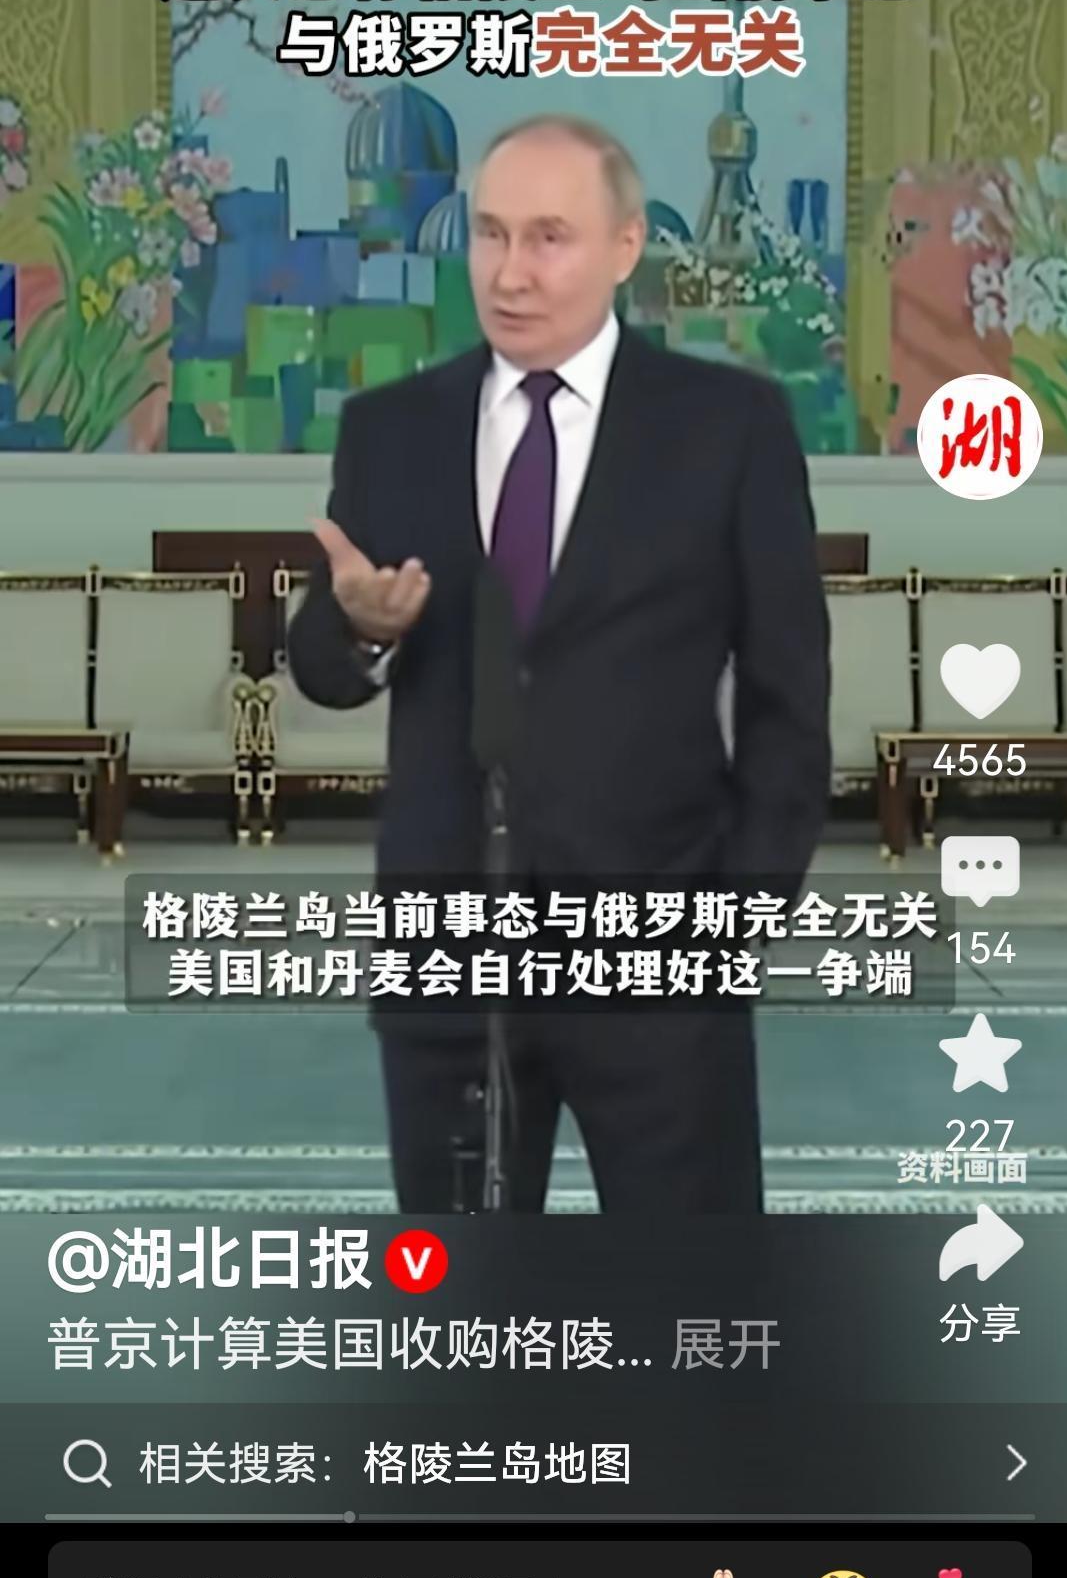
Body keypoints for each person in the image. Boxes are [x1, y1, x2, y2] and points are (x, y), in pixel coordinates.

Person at [288, 113, 831, 1211]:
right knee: (464, 1300)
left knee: (694, 1291)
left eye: (549, 237)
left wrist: (737, 920)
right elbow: (320, 664)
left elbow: (789, 699)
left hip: (661, 958)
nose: (510, 272)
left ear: (625, 247)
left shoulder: (729, 428)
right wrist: (366, 629)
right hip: (450, 955)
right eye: (491, 234)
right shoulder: (393, 429)